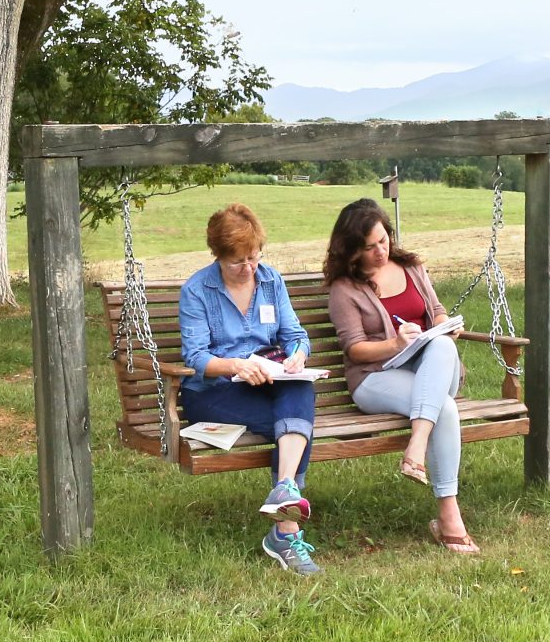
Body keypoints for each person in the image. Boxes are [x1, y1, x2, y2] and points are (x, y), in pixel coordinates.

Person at [323, 197, 479, 554]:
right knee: (446, 410)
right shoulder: (344, 289)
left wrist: (444, 326)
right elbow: (355, 349)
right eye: (369, 247)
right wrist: (394, 344)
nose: (381, 250)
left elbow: (436, 311)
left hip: (432, 369)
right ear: (352, 252)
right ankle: (449, 519)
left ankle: (416, 444)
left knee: (442, 347)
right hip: (375, 378)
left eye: (383, 240)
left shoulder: (411, 267)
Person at [176, 203, 322, 575]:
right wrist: (238, 365)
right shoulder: (197, 290)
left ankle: (285, 493)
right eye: (238, 261)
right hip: (214, 392)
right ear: (218, 256)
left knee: (300, 391)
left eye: (254, 257)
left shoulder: (271, 280)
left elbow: (295, 335)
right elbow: (195, 357)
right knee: (293, 425)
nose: (249, 268)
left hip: (268, 379)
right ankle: (286, 534)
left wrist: (297, 357)